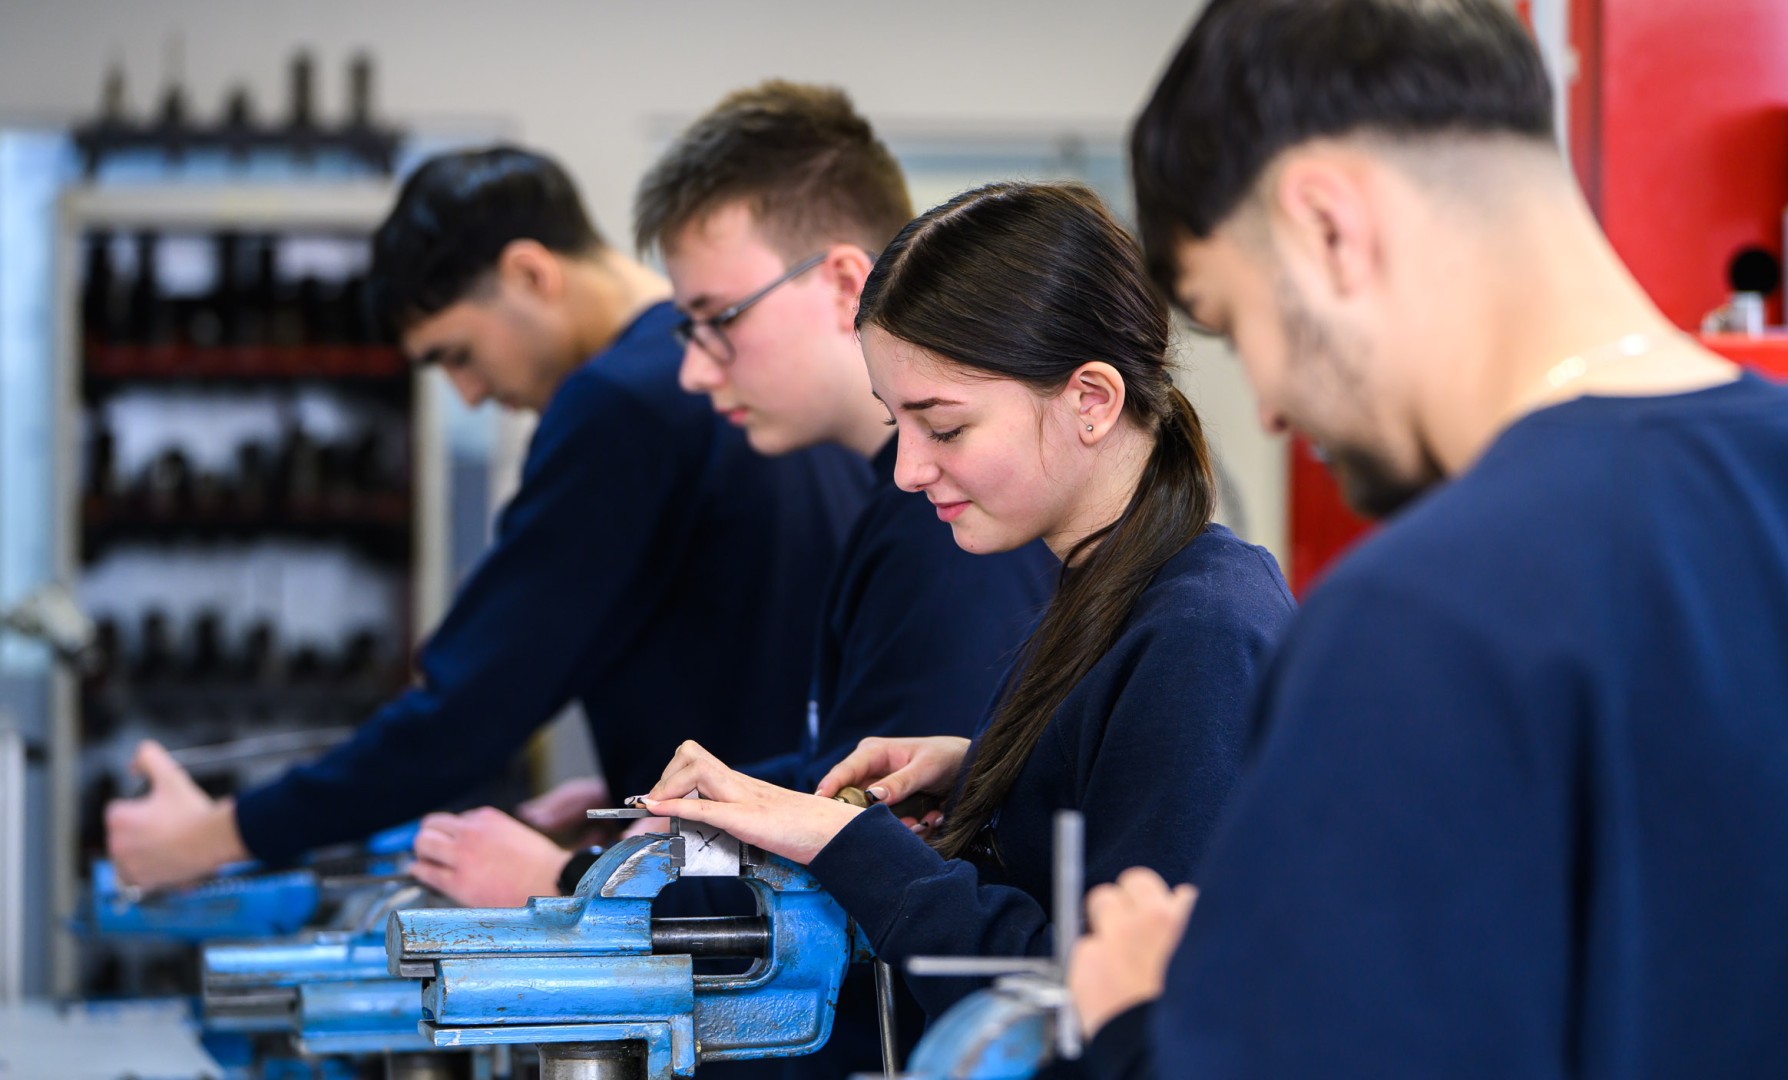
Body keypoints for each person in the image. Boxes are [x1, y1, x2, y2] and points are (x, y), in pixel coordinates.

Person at [1069, 1, 1788, 1077]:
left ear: (1327, 224)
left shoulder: (1422, 616)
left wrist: (1145, 1022)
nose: (1274, 412)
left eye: (1238, 325)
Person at [420, 82, 1060, 1077]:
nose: (692, 370)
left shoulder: (952, 534)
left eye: (717, 319)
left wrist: (578, 879)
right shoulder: (893, 514)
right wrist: (665, 818)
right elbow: (852, 789)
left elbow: (900, 866)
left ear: (845, 283)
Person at [633, 180, 1297, 1045]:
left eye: (943, 428)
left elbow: (1111, 1018)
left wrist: (848, 843)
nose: (908, 470)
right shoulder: (1107, 600)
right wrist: (1000, 771)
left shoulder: (1200, 636)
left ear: (1091, 400)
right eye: (894, 423)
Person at [105, 146, 869, 890]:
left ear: (529, 274)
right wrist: (630, 802)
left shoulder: (622, 403)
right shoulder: (749, 386)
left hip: (728, 907)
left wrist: (209, 837)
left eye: (457, 354)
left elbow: (466, 717)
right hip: (776, 868)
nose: (467, 394)